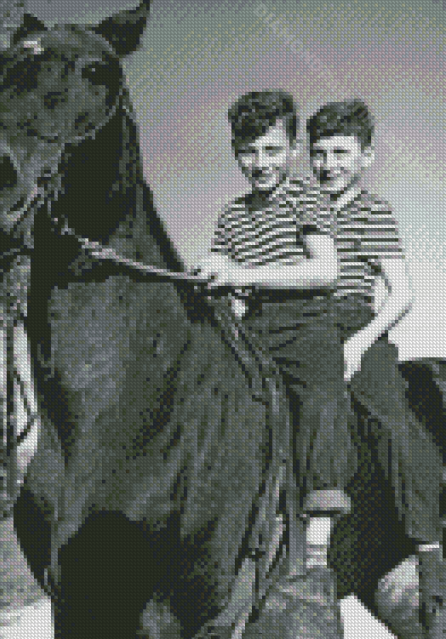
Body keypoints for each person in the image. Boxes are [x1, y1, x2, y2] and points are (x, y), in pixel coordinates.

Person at [193, 91, 354, 594]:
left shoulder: (306, 196)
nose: (260, 163)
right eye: (248, 151)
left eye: (271, 150)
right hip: (254, 325)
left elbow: (326, 270)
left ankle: (318, 547)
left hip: (307, 323)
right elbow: (226, 280)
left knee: (322, 402)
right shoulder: (231, 215)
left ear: (292, 150)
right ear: (234, 150)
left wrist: (242, 273)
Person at [306, 98, 445, 638]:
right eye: (319, 154)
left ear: (364, 156)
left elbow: (402, 293)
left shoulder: (372, 211)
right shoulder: (299, 212)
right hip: (301, 330)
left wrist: (361, 344)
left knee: (392, 426)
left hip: (357, 326)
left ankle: (428, 551)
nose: (328, 164)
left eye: (340, 153)